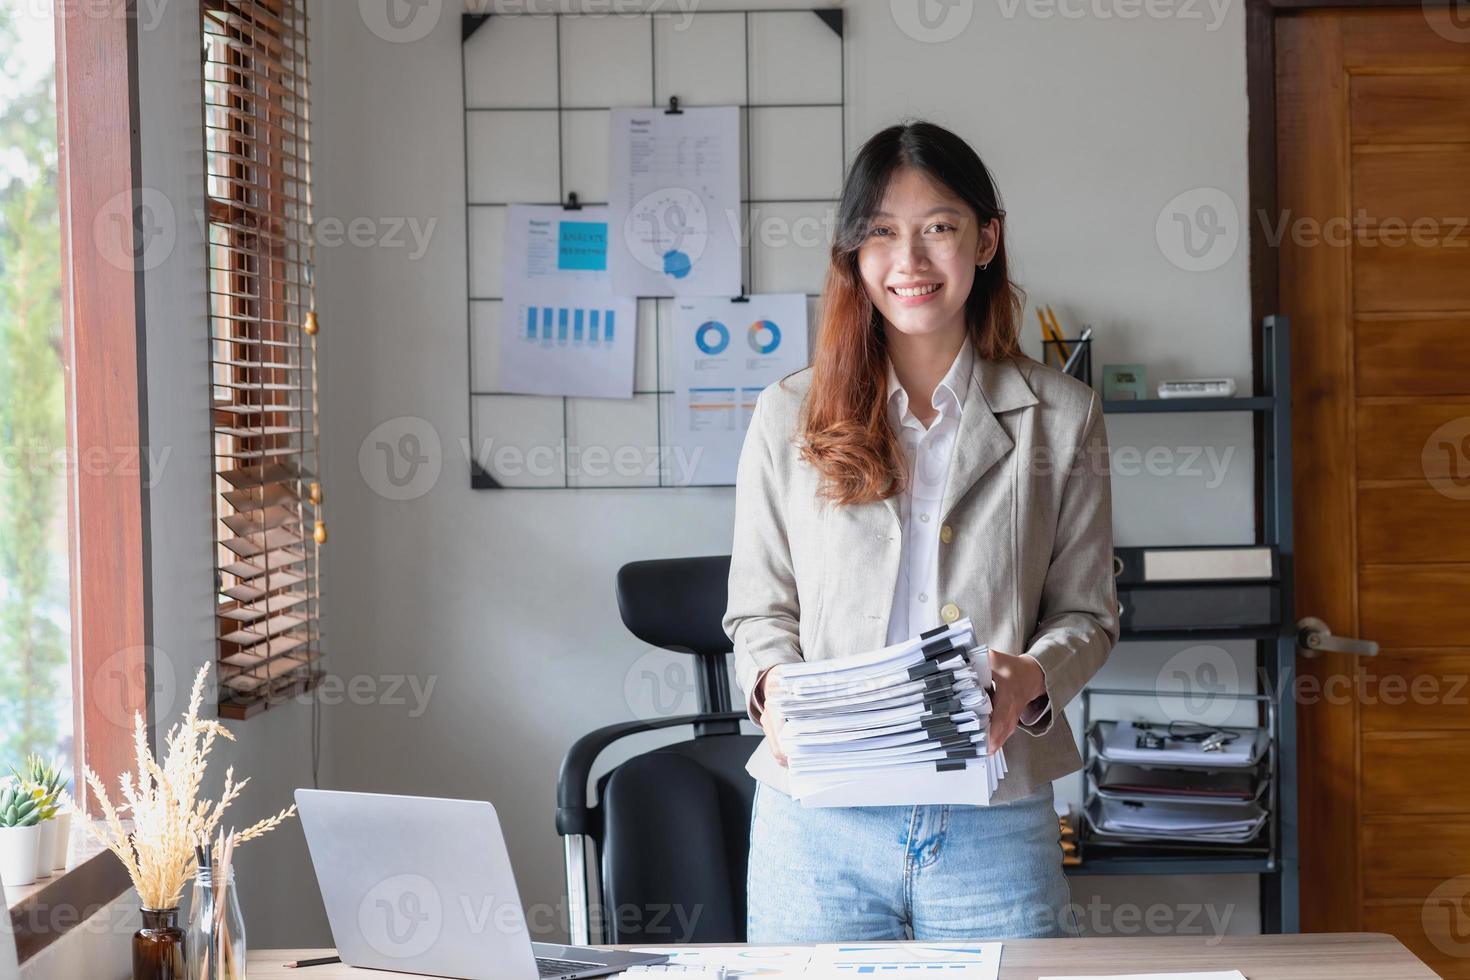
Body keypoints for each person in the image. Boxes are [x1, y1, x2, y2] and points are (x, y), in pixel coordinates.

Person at [721, 120, 1119, 942]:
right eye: (882, 233)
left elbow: (1088, 613)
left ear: (985, 240)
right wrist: (775, 698)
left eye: (939, 227)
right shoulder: (788, 413)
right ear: (853, 255)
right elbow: (758, 613)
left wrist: (1032, 677)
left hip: (995, 822)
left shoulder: (1063, 416)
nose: (911, 261)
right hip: (818, 828)